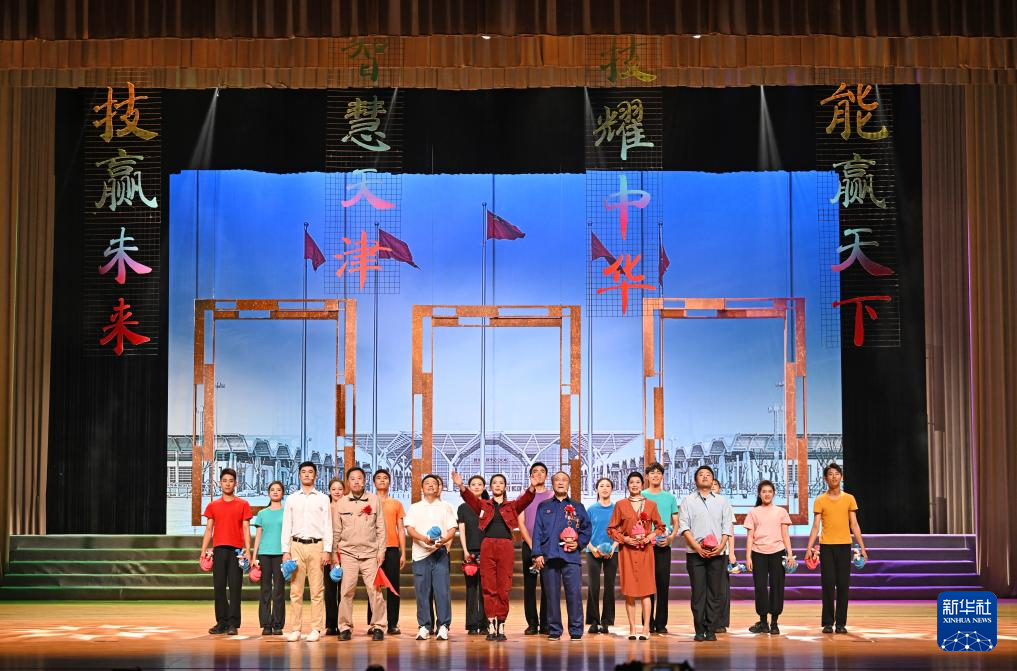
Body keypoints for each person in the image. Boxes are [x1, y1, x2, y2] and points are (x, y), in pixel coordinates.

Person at [451, 469, 539, 641]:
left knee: (503, 588)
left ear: (505, 487)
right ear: (490, 487)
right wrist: (461, 485)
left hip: (505, 547)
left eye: (501, 483)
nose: (498, 485)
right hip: (487, 546)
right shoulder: (484, 505)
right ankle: (491, 624)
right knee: (488, 586)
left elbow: (526, 500)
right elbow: (470, 499)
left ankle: (501, 624)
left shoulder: (512, 505)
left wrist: (532, 487)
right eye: (495, 483)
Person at [805, 462, 867, 634]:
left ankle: (840, 623)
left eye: (837, 473)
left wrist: (862, 548)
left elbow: (854, 524)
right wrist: (809, 548)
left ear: (841, 477)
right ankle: (827, 622)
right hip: (826, 547)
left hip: (844, 546)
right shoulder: (820, 500)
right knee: (827, 584)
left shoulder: (849, 498)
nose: (834, 477)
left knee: (843, 585)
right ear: (825, 479)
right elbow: (815, 526)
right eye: (830, 474)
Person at [531, 471, 592, 641]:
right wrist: (537, 553)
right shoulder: (543, 506)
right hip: (549, 555)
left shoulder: (578, 507)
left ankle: (576, 631)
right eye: (557, 480)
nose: (560, 482)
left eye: (564, 480)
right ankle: (555, 630)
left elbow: (586, 529)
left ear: (568, 484)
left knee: (574, 594)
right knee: (551, 596)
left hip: (571, 557)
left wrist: (578, 544)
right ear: (552, 484)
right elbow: (537, 531)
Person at [677, 465, 733, 642]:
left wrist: (722, 546)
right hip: (695, 554)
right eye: (701, 474)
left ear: (712, 479)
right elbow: (684, 526)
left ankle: (711, 629)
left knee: (715, 592)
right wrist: (697, 547)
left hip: (718, 552)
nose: (705, 477)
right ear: (696, 480)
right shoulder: (688, 500)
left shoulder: (722, 501)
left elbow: (727, 526)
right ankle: (699, 629)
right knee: (698, 592)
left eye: (708, 474)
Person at [607, 471, 665, 640]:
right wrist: (624, 539)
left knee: (646, 591)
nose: (634, 485)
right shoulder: (620, 505)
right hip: (627, 552)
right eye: (631, 482)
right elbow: (611, 529)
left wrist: (650, 536)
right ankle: (632, 628)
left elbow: (660, 527)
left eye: (637, 482)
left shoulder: (651, 505)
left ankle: (646, 628)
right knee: (630, 591)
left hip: (645, 552)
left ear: (642, 484)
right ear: (627, 485)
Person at [332, 467, 387, 641]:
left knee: (375, 591)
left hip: (370, 553)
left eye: (359, 478)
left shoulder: (374, 500)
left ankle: (378, 626)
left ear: (364, 481)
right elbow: (336, 531)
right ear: (348, 482)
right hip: (348, 553)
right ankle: (345, 627)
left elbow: (381, 528)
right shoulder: (341, 503)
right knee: (346, 591)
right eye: (353, 479)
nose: (356, 481)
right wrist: (334, 555)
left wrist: (381, 551)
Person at [282, 461, 332, 642]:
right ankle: (295, 629)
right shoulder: (292, 498)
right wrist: (285, 551)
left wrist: (327, 550)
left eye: (310, 472)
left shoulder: (323, 498)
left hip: (316, 546)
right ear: (299, 475)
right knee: (295, 591)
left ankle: (316, 628)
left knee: (317, 590)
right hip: (296, 546)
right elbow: (287, 525)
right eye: (303, 472)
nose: (307, 474)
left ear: (315, 476)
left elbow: (327, 525)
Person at [404, 474, 459, 641]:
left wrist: (444, 540)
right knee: (422, 591)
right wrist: (424, 539)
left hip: (439, 553)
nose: (430, 485)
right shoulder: (415, 507)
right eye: (427, 483)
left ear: (438, 488)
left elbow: (452, 528)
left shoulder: (445, 507)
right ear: (422, 488)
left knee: (442, 591)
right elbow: (410, 529)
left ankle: (443, 625)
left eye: (433, 483)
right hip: (420, 554)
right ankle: (424, 626)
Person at [200, 468, 253, 636]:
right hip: (219, 550)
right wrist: (203, 550)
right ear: (220, 483)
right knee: (219, 587)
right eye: (224, 481)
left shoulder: (243, 504)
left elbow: (246, 528)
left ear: (235, 483)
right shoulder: (213, 505)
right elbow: (209, 529)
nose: (228, 484)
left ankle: (233, 624)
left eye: (231, 481)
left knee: (235, 588)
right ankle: (221, 622)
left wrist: (248, 550)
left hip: (236, 552)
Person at [744, 479, 793, 635]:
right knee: (760, 587)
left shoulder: (781, 512)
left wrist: (790, 554)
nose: (767, 494)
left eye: (770, 491)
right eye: (764, 491)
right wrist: (748, 557)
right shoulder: (753, 512)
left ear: (774, 494)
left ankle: (775, 623)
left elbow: (785, 535)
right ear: (759, 494)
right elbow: (750, 536)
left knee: (777, 587)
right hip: (758, 553)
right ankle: (763, 622)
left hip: (778, 552)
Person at [642, 462, 680, 634]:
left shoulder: (669, 498)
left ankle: (661, 623)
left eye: (658, 473)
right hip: (645, 546)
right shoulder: (642, 495)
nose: (655, 475)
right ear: (647, 476)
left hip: (664, 545)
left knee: (663, 585)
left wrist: (671, 537)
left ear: (662, 476)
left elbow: (675, 521)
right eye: (652, 473)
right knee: (647, 585)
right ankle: (647, 622)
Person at [368, 468, 406, 635]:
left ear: (389, 482)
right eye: (379, 478)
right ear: (374, 482)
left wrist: (403, 552)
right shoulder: (369, 502)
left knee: (393, 587)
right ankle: (374, 623)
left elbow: (401, 528)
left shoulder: (396, 504)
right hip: (372, 549)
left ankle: (392, 623)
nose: (382, 480)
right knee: (373, 587)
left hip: (391, 549)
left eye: (385, 478)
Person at [517, 461, 552, 635]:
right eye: (535, 471)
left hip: (548, 547)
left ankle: (545, 623)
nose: (538, 474)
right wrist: (532, 546)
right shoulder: (523, 497)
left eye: (542, 471)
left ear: (546, 475)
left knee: (548, 586)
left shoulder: (552, 496)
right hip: (529, 546)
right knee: (530, 586)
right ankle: (532, 623)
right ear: (530, 475)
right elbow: (521, 523)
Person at [251, 480, 286, 636]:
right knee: (265, 590)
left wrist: (288, 553)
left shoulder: (287, 512)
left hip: (281, 554)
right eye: (272, 489)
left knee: (279, 590)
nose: (275, 492)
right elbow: (258, 536)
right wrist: (254, 557)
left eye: (278, 490)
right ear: (268, 493)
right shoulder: (262, 513)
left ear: (282, 493)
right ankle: (266, 624)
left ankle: (277, 624)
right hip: (264, 554)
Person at [456, 475, 489, 636]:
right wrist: (465, 551)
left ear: (484, 487)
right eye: (473, 484)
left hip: (487, 551)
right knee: (471, 589)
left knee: (485, 589)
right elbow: (462, 531)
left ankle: (485, 624)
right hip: (470, 552)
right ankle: (472, 624)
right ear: (468, 487)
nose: (476, 487)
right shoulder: (463, 507)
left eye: (479, 484)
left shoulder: (489, 505)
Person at [585, 478, 617, 635]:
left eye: (608, 486)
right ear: (597, 489)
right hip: (593, 551)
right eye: (601, 486)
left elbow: (621, 531)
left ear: (612, 489)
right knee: (594, 586)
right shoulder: (591, 509)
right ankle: (593, 621)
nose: (605, 488)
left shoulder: (617, 509)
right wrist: (592, 548)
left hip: (612, 551)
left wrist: (613, 547)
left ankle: (606, 621)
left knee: (609, 586)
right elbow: (584, 532)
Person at [710, 479, 736, 632]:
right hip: (705, 551)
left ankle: (721, 622)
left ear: (719, 488)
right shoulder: (698, 503)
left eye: (715, 484)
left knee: (722, 589)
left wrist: (731, 552)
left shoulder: (725, 504)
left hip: (722, 552)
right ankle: (708, 620)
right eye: (710, 484)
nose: (712, 486)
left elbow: (730, 531)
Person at [323, 477, 345, 636]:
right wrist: (328, 551)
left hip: (346, 551)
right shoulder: (325, 508)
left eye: (340, 489)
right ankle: (331, 624)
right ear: (329, 491)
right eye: (334, 489)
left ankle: (343, 623)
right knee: (330, 590)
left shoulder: (348, 507)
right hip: (328, 551)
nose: (337, 492)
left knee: (344, 590)